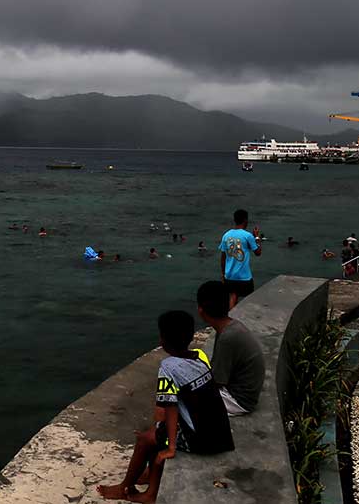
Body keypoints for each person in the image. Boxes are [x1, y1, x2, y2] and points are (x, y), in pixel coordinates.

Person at [96, 310, 233, 501]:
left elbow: (170, 407)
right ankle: (150, 484)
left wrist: (171, 447)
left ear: (163, 340)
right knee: (157, 432)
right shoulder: (199, 357)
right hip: (220, 433)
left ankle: (126, 487)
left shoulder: (168, 367)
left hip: (203, 440)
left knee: (145, 439)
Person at [196, 281, 266, 415]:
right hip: (243, 391)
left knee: (183, 397)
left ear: (201, 311)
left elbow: (217, 380)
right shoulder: (230, 327)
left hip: (239, 400)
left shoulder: (227, 337)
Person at [219, 209, 261, 308]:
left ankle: (231, 318)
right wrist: (257, 237)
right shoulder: (248, 236)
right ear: (245, 220)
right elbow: (258, 252)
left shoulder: (226, 235)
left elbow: (223, 258)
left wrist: (223, 274)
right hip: (244, 277)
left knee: (233, 297)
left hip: (229, 276)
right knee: (250, 299)